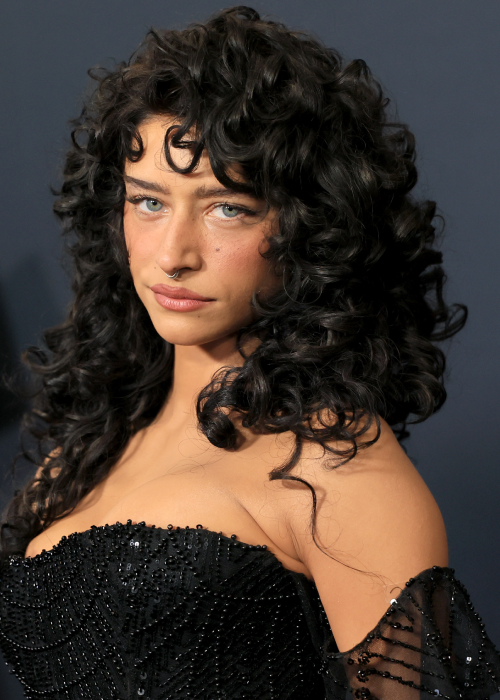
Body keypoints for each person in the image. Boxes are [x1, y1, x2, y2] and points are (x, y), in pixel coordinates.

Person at [0, 6, 499, 699]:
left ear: (310, 229)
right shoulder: (93, 445)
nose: (174, 255)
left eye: (226, 208)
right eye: (149, 202)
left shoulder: (335, 472)